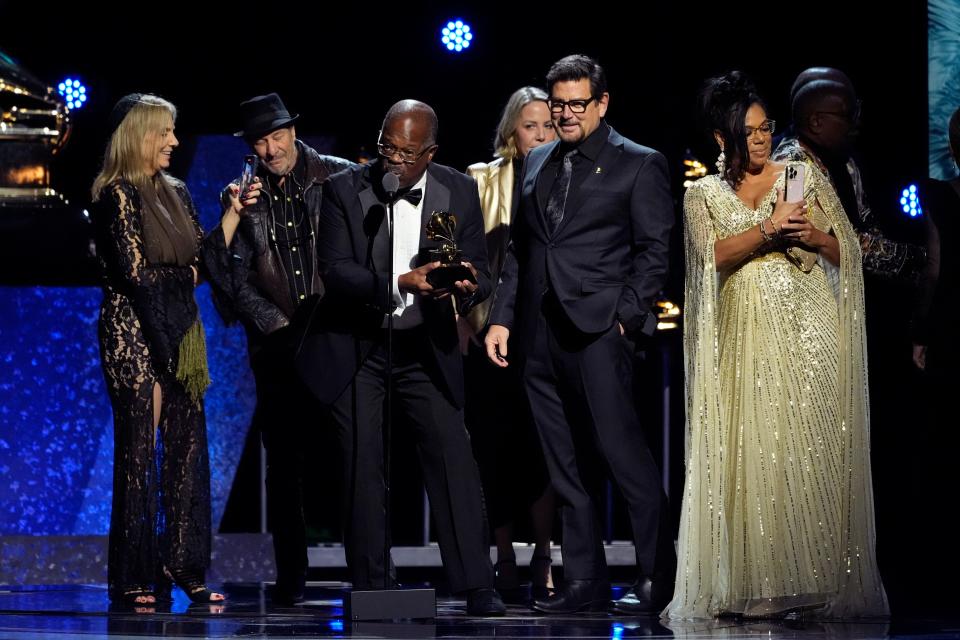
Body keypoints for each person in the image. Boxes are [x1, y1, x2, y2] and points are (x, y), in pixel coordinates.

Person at [665, 71, 888, 619]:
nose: (762, 139)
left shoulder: (798, 175)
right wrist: (767, 231)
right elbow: (708, 259)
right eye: (749, 132)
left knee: (804, 451)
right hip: (744, 342)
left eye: (766, 129)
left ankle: (813, 585)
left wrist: (811, 235)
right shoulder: (704, 194)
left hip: (808, 334)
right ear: (722, 140)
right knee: (754, 454)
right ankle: (754, 585)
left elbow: (846, 252)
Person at [484, 55, 676, 614]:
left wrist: (626, 317)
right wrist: (501, 317)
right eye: (557, 104)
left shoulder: (638, 164)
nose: (565, 115)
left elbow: (656, 252)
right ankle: (584, 583)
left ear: (602, 103)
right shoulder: (539, 159)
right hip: (539, 334)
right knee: (563, 464)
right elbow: (522, 250)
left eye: (575, 104)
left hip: (599, 332)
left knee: (623, 457)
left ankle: (658, 576)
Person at [303, 99, 505, 616]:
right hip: (359, 344)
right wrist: (398, 282)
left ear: (429, 153)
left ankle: (477, 585)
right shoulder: (345, 190)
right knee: (361, 465)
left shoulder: (458, 188)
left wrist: (462, 285)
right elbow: (336, 269)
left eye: (406, 152)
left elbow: (479, 268)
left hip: (424, 346)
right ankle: (372, 585)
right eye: (386, 147)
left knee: (452, 459)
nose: (393, 160)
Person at [201, 93, 353, 605]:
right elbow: (227, 278)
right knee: (284, 466)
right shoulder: (242, 195)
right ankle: (293, 577)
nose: (270, 149)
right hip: (276, 343)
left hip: (336, 335)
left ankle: (372, 571)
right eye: (260, 141)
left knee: (355, 456)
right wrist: (277, 325)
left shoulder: (338, 176)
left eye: (277, 136)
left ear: (293, 131)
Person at [92, 94, 221, 605]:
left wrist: (231, 218)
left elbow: (205, 258)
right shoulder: (115, 194)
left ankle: (182, 564)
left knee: (186, 452)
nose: (174, 140)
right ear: (139, 135)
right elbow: (136, 275)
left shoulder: (179, 191)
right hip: (135, 332)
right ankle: (134, 574)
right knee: (140, 453)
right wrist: (187, 274)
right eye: (164, 132)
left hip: (181, 332)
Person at [462, 86, 557, 601]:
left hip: (544, 334)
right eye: (530, 126)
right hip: (484, 333)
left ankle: (543, 554)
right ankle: (503, 557)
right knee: (493, 451)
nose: (540, 134)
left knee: (542, 450)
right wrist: (461, 321)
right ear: (510, 131)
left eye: (547, 125)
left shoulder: (565, 173)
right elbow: (458, 252)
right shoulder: (481, 178)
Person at [773, 67, 925, 280]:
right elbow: (832, 238)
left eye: (858, 110)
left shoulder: (846, 160)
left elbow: (866, 224)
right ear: (816, 122)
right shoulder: (792, 168)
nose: (857, 122)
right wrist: (920, 260)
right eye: (848, 114)